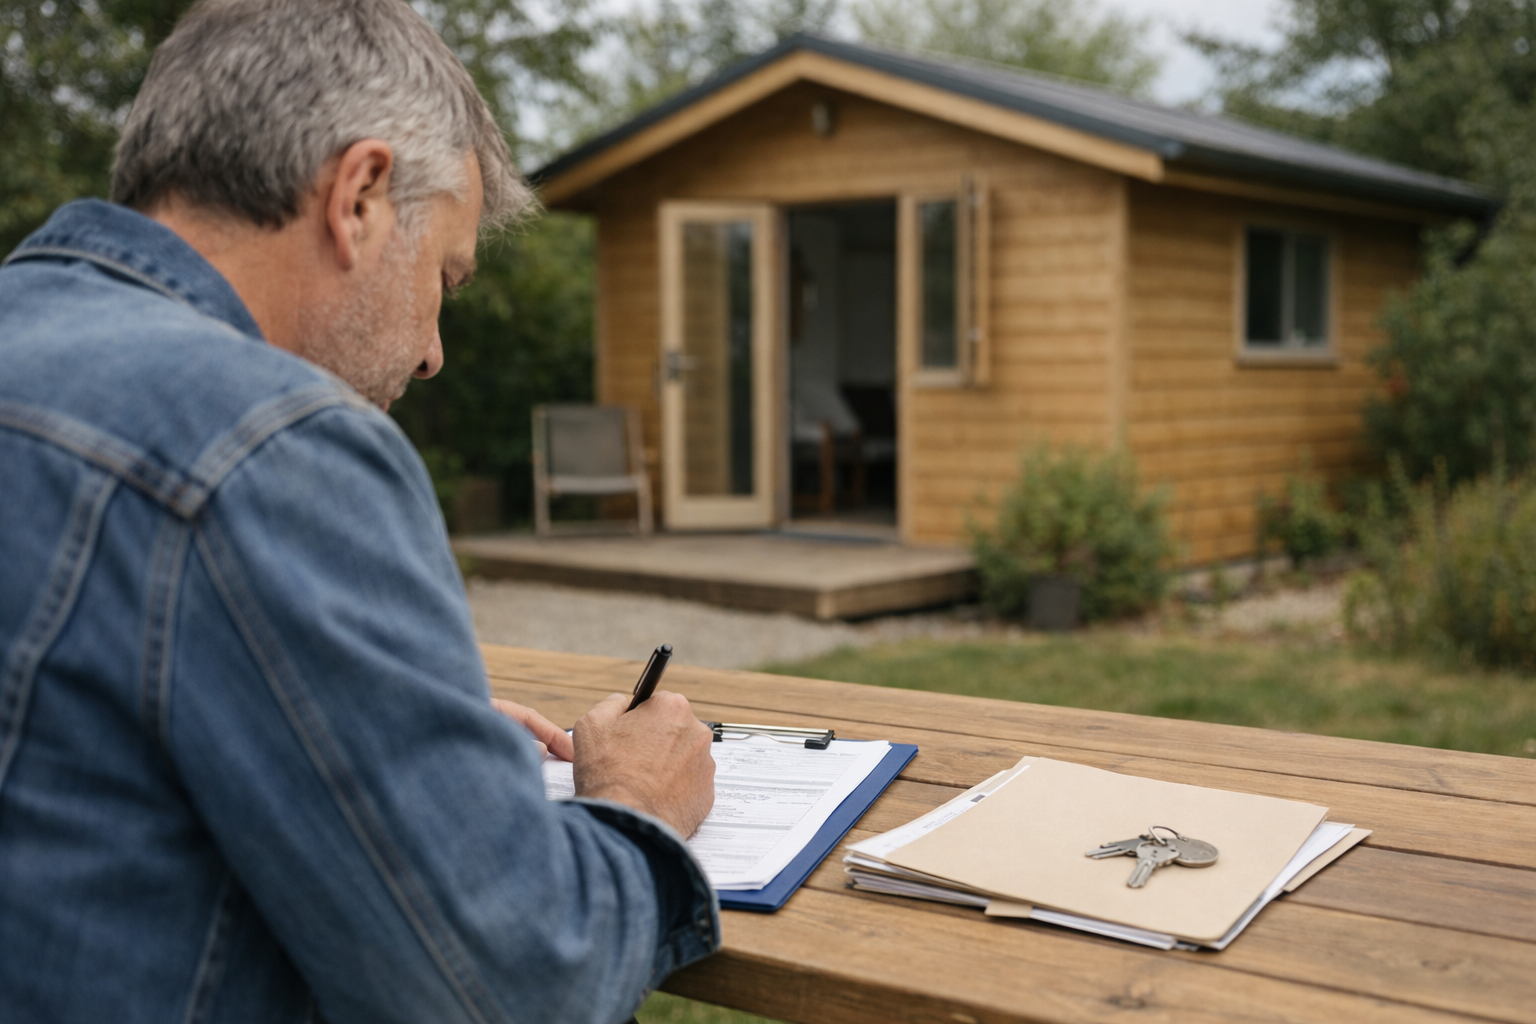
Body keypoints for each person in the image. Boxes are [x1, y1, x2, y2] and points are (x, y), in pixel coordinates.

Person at [0, 2, 720, 1022]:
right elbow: (513, 984)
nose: (433, 352)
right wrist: (638, 801)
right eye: (442, 278)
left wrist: (371, 730)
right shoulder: (274, 444)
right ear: (360, 196)